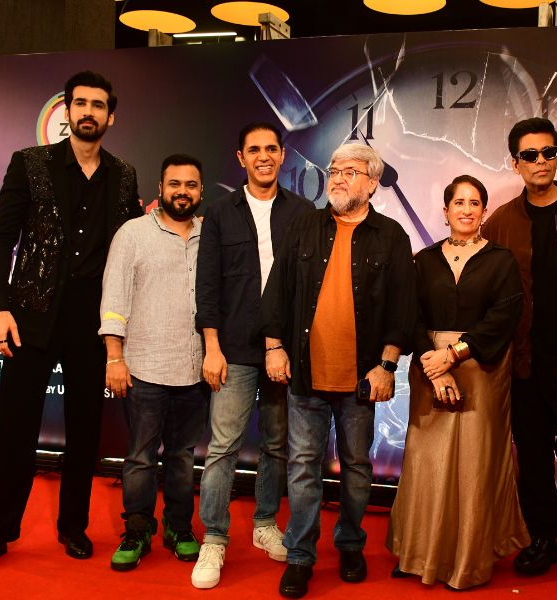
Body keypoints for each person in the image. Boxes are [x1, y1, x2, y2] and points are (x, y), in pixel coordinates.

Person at [0, 71, 141, 578]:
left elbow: (129, 248)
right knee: (13, 430)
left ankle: (73, 526)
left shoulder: (124, 175)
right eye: (81, 103)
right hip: (30, 318)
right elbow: (1, 238)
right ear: (67, 111)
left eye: (98, 105)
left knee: (85, 431)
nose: (88, 112)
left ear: (110, 116)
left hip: (91, 322)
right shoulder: (30, 162)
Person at [260, 143, 416, 598]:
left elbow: (402, 309)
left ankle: (350, 544)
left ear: (372, 183)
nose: (339, 178)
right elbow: (277, 291)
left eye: (350, 171)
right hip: (306, 374)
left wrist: (386, 365)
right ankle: (300, 556)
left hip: (361, 379)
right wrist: (274, 347)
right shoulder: (304, 226)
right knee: (302, 468)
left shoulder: (391, 236)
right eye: (334, 170)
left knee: (356, 467)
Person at [386, 175, 528, 590]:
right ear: (445, 210)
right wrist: (434, 362)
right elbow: (409, 314)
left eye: (474, 202)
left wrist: (454, 354)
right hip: (429, 370)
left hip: (481, 371)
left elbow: (504, 318)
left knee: (473, 464)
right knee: (426, 463)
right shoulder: (424, 260)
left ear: (484, 211)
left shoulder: (501, 260)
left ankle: (468, 560)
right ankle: (418, 553)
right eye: (459, 202)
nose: (466, 209)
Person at [481, 117, 557, 576]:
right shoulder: (500, 223)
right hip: (524, 362)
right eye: (530, 155)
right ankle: (540, 537)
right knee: (532, 455)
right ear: (515, 163)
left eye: (548, 152)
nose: (541, 161)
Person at [191, 123, 313, 589]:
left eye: (271, 149)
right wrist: (212, 347)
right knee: (222, 447)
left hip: (284, 351)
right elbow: (207, 284)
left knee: (277, 445)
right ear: (240, 157)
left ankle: (264, 524)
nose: (264, 156)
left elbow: (307, 285)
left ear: (282, 155)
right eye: (254, 149)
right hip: (235, 350)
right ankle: (214, 538)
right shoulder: (220, 212)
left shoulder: (303, 212)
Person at [99, 154, 206, 571]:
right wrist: (115, 357)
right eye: (174, 184)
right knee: (141, 456)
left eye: (191, 185)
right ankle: (137, 530)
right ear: (160, 189)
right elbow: (114, 299)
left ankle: (179, 528)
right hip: (143, 368)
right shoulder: (133, 233)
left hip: (193, 370)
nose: (182, 192)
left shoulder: (210, 235)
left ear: (201, 190)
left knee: (182, 456)